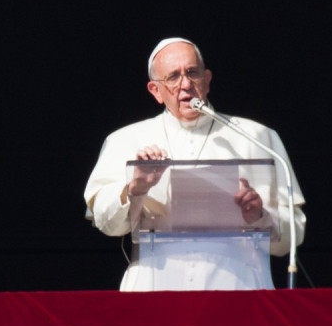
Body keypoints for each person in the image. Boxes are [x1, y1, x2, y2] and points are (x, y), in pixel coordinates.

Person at [84, 37, 306, 291]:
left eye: (192, 73)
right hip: (155, 289)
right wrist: (134, 189)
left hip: (238, 287)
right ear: (155, 90)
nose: (186, 84)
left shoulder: (257, 137)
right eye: (173, 77)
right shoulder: (124, 140)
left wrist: (259, 216)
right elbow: (107, 224)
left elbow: (294, 237)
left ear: (207, 79)